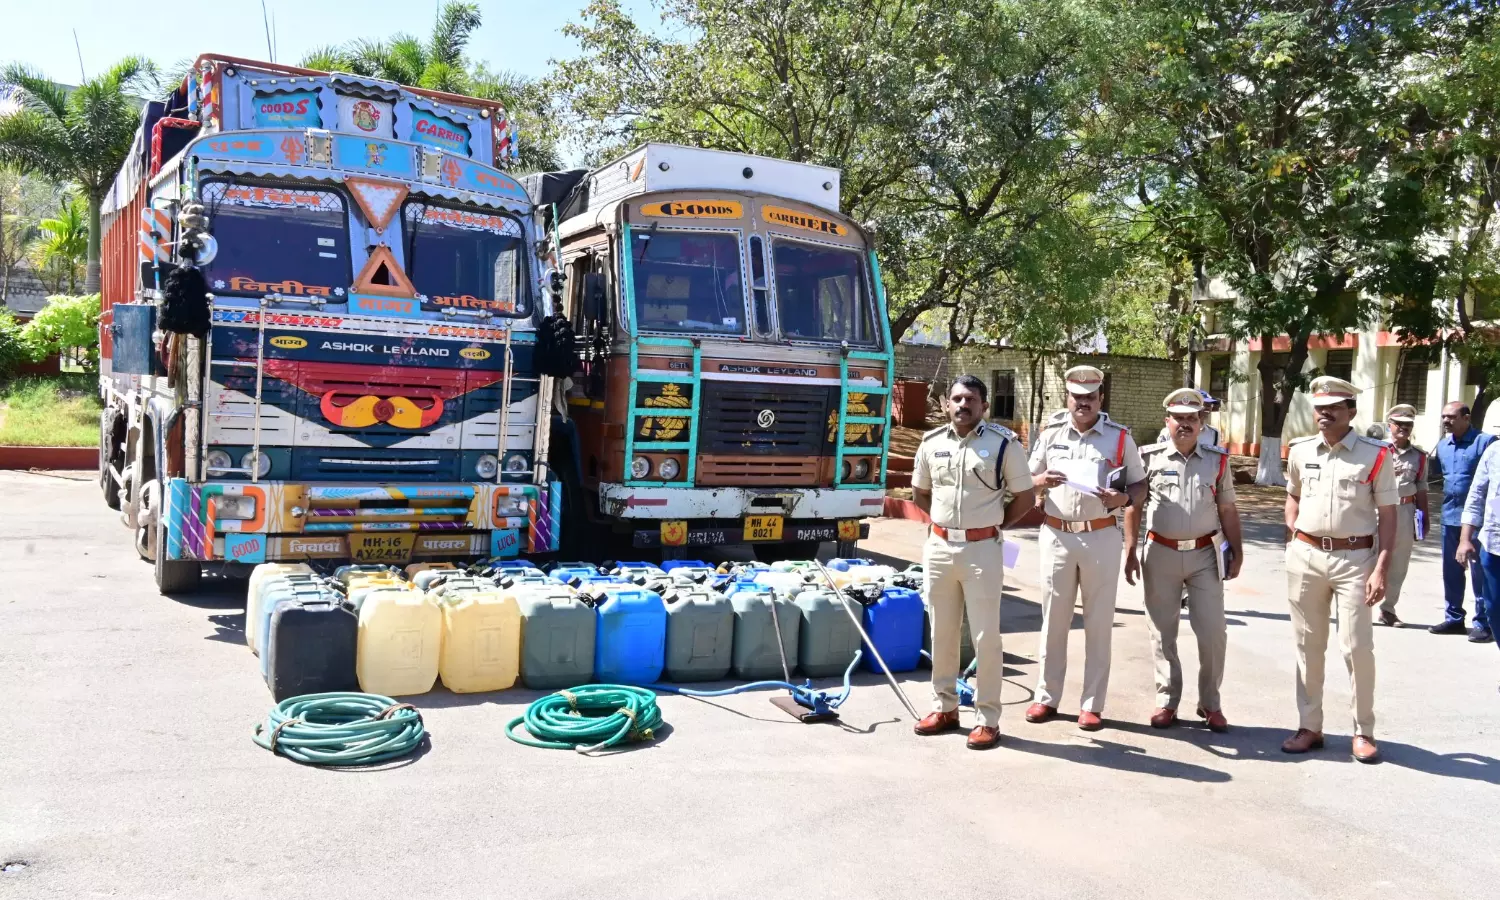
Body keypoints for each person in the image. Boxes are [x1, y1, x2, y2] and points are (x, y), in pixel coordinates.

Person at [910, 375, 1036, 750]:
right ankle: (945, 708)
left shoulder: (1003, 445)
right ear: (947, 403)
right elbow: (920, 493)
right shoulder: (931, 443)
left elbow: (1025, 497)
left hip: (982, 551)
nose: (963, 405)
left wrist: (993, 526)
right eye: (957, 399)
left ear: (983, 406)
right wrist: (947, 526)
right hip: (940, 547)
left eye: (971, 400)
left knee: (985, 637)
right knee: (942, 632)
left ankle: (987, 719)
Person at [1281, 376, 1398, 763]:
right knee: (1307, 646)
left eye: (1333, 407)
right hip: (1307, 557)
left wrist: (1381, 567)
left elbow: (1388, 515)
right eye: (1319, 407)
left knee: (1357, 648)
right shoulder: (1300, 451)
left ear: (1351, 411)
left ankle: (1363, 730)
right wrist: (1295, 538)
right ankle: (1309, 726)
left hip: (1356, 560)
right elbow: (1293, 497)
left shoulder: (1376, 454)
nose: (1324, 414)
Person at [1026, 365, 1147, 731]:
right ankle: (1046, 697)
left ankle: (1092, 704)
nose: (1083, 404)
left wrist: (1123, 497)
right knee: (1054, 621)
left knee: (1098, 623)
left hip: (1100, 536)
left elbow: (1140, 487)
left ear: (1100, 399)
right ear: (1068, 398)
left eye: (1090, 398)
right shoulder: (1050, 435)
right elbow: (1025, 480)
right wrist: (1041, 480)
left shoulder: (1120, 438)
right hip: (1056, 534)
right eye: (1077, 398)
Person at [1124, 388, 1243, 731]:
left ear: (1202, 423)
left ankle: (1210, 703)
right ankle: (1167, 700)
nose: (1185, 424)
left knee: (1212, 632)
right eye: (1179, 418)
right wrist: (1130, 550)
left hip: (1205, 555)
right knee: (1162, 633)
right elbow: (1135, 505)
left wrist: (1237, 551)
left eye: (1192, 418)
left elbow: (1228, 508)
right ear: (1168, 421)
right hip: (1160, 552)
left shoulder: (1218, 460)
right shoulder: (1149, 458)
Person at [1429, 402, 1495, 640]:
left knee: (1480, 572)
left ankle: (1484, 622)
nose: (1446, 421)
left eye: (1451, 417)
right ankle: (1454, 618)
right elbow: (1438, 478)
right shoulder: (1443, 445)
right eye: (1443, 416)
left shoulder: (1486, 443)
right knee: (1451, 571)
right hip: (1450, 517)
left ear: (1466, 418)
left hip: (1478, 520)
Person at [1377, 404, 1429, 627]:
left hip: (1405, 511)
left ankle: (1388, 609)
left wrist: (1423, 519)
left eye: (1408, 425)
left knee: (1398, 562)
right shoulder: (1377, 450)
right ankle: (1357, 606)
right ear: (1390, 425)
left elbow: (1421, 488)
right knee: (1364, 556)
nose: (1403, 429)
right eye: (1399, 424)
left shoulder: (1419, 456)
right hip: (1376, 510)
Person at [1454, 439, 1500, 686]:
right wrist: (1465, 538)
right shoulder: (1494, 452)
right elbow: (1477, 495)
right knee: (1493, 608)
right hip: (1494, 544)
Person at [1156, 390, 1223, 447]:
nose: (1208, 408)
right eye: (1205, 404)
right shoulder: (1168, 432)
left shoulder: (1214, 433)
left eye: (1210, 405)